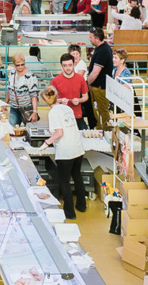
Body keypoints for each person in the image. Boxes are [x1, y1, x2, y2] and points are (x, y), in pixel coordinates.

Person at [42, 87, 86, 216]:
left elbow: (59, 133)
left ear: (45, 101)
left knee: (64, 181)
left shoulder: (53, 112)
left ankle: (69, 212)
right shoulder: (67, 108)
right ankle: (82, 205)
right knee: (77, 176)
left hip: (66, 151)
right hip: (77, 147)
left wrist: (46, 143)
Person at [49, 52, 90, 130]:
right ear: (61, 66)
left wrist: (79, 100)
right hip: (61, 116)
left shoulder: (80, 79)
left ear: (74, 65)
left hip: (77, 115)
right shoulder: (55, 81)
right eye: (65, 65)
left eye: (70, 65)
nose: (68, 68)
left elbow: (85, 97)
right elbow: (50, 99)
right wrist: (60, 101)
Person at [86, 28, 113, 129]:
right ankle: (97, 126)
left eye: (91, 37)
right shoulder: (103, 47)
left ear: (97, 39)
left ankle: (107, 130)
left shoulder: (102, 51)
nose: (89, 39)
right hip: (98, 85)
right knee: (92, 107)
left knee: (103, 110)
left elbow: (95, 72)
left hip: (100, 87)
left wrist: (86, 83)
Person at [6, 51, 40, 126]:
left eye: (22, 64)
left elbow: (34, 95)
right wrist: (5, 103)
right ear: (14, 64)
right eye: (18, 65)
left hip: (27, 108)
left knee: (30, 129)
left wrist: (35, 111)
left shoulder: (30, 76)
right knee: (12, 129)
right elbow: (9, 89)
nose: (20, 67)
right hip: (14, 108)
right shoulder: (12, 73)